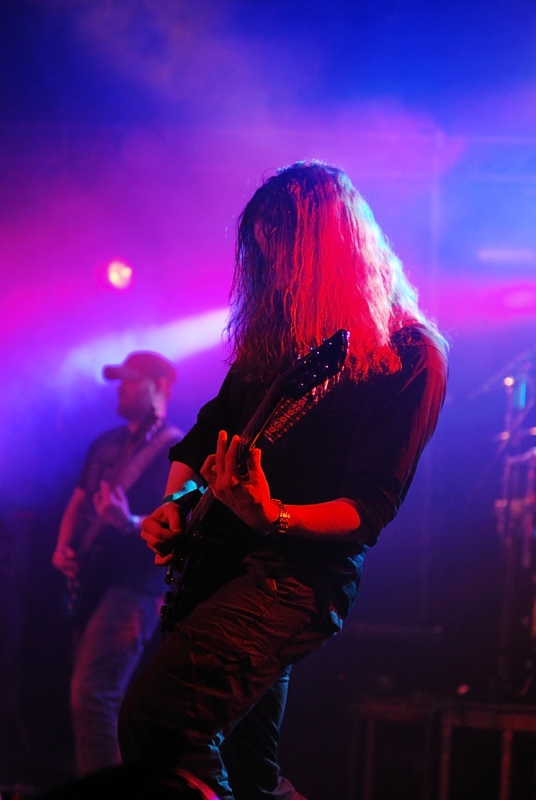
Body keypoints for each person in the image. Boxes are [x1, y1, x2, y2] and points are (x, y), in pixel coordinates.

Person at [118, 162, 448, 800]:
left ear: (334, 251)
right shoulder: (279, 343)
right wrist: (172, 505)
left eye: (284, 253)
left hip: (292, 581)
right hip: (217, 568)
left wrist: (275, 517)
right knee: (250, 773)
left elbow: (370, 506)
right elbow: (207, 432)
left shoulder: (412, 355)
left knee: (161, 722)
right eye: (262, 255)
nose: (272, 273)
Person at [52, 351, 182, 776]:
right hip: (95, 582)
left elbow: (178, 522)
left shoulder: (174, 450)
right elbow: (79, 500)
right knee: (92, 697)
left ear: (160, 385)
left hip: (138, 586)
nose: (121, 388)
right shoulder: (105, 442)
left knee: (94, 695)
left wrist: (127, 522)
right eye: (120, 380)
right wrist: (64, 547)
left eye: (131, 380)